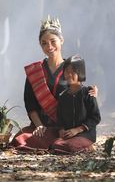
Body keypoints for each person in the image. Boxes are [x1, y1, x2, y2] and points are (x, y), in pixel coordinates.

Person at [10, 16, 97, 150]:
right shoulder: (35, 71)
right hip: (42, 126)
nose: (49, 46)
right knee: (19, 140)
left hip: (68, 126)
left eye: (53, 41)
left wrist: (92, 93)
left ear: (61, 40)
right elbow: (30, 103)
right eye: (44, 43)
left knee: (63, 144)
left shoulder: (72, 66)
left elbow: (81, 94)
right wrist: (39, 125)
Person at [51, 55, 101, 154]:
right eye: (66, 71)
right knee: (55, 145)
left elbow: (95, 117)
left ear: (80, 72)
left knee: (69, 146)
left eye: (73, 72)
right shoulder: (63, 96)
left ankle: (87, 145)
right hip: (69, 134)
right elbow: (59, 117)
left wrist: (78, 129)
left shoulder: (88, 93)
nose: (69, 74)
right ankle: (79, 146)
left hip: (85, 134)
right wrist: (61, 130)